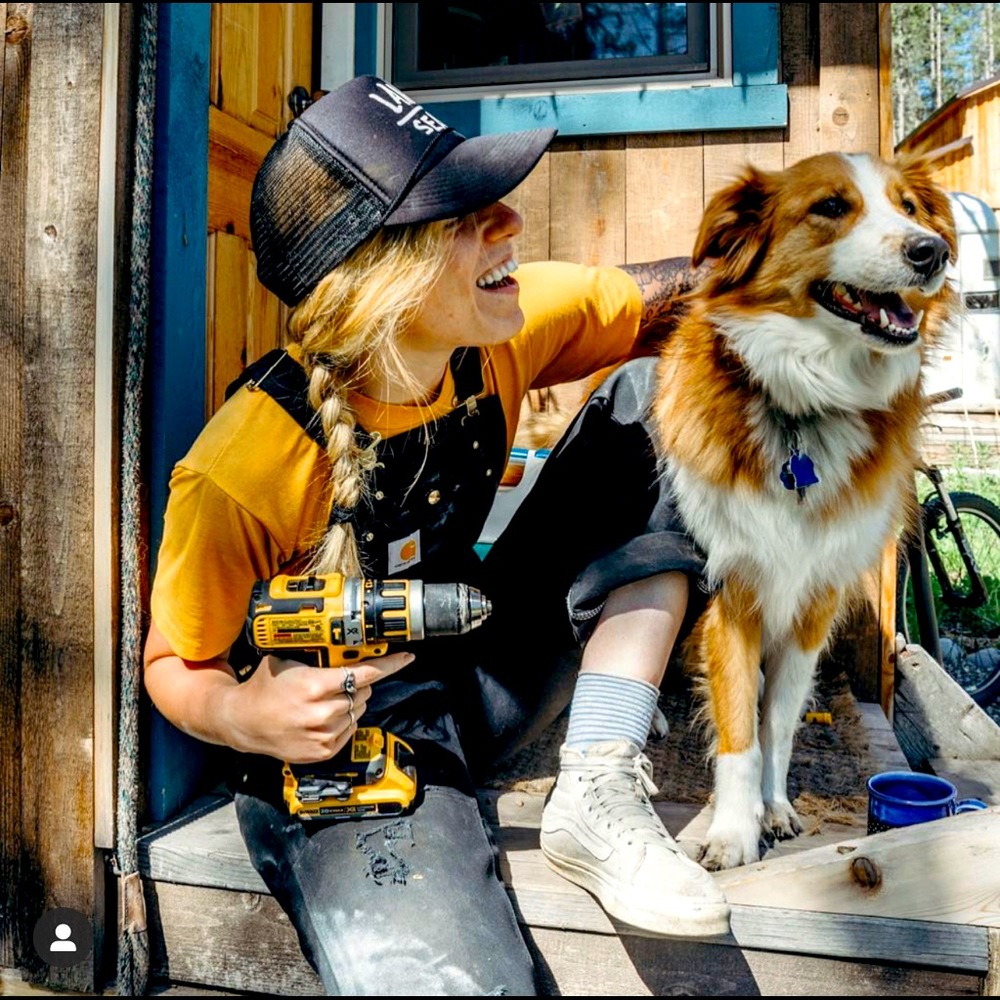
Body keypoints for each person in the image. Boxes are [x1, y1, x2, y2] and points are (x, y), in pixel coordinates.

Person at [143, 74, 728, 997]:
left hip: (480, 663)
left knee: (661, 397)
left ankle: (598, 780)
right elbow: (174, 662)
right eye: (461, 214)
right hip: (349, 748)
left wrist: (842, 274)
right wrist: (244, 716)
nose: (511, 222)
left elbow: (699, 294)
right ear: (379, 278)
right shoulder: (244, 468)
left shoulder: (501, 327)